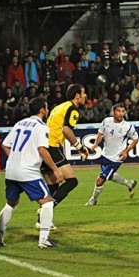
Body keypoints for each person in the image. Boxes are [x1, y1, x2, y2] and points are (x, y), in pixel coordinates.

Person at [0, 98, 64, 248]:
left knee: (10, 204)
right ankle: (43, 240)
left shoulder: (20, 123)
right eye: (46, 107)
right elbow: (42, 150)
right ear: (42, 110)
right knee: (48, 203)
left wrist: (16, 158)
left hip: (11, 170)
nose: (47, 110)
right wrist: (56, 170)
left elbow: (5, 144)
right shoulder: (41, 127)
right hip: (28, 171)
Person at [38, 83, 90, 229]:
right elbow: (66, 130)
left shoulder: (59, 107)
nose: (85, 96)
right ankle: (46, 209)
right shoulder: (73, 110)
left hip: (42, 146)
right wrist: (80, 147)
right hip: (52, 147)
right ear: (77, 96)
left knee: (53, 187)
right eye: (83, 93)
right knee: (72, 181)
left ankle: (41, 219)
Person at [85, 103, 139, 206]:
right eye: (118, 111)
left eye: (123, 111)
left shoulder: (127, 127)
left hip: (116, 158)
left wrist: (126, 151)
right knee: (109, 176)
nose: (121, 114)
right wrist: (96, 144)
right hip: (105, 155)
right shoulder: (106, 121)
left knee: (100, 180)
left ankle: (93, 199)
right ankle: (129, 183)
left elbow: (135, 139)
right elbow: (101, 133)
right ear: (113, 112)